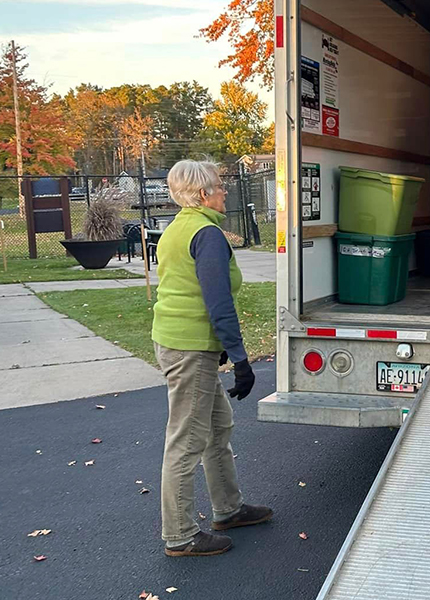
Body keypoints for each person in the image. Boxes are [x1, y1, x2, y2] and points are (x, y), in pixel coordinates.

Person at [151, 159, 272, 557]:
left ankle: (229, 509)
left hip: (180, 341)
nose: (224, 191)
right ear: (203, 194)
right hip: (188, 350)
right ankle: (180, 535)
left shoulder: (178, 228)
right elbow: (218, 302)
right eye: (219, 187)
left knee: (218, 427)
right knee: (186, 441)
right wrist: (240, 359)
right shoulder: (206, 234)